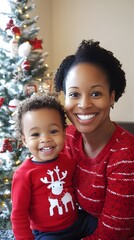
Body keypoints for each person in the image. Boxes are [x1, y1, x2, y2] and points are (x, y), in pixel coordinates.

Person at [54, 39, 134, 240]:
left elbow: (113, 234)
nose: (84, 104)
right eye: (74, 94)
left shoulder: (126, 155)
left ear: (112, 97)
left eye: (96, 93)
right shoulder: (68, 137)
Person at [11, 94, 97, 240]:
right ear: (25, 140)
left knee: (105, 225)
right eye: (35, 134)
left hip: (77, 222)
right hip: (48, 233)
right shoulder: (24, 175)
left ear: (64, 133)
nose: (45, 139)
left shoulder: (69, 161)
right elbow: (18, 215)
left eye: (53, 131)